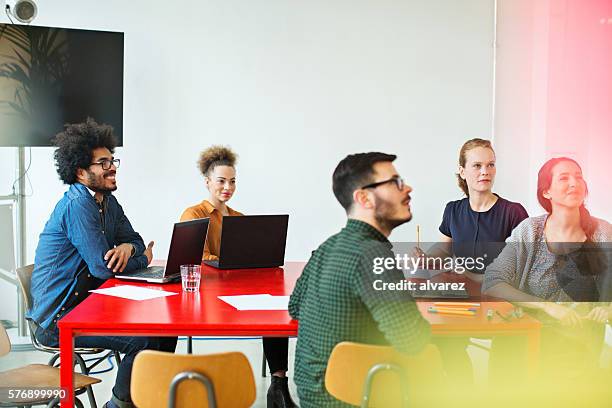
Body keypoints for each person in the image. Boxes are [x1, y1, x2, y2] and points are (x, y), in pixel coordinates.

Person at [28, 118, 177, 408]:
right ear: (81, 172)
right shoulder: (77, 205)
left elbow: (134, 238)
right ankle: (118, 405)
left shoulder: (107, 201)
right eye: (103, 162)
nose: (112, 167)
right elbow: (102, 268)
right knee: (143, 341)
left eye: (113, 160)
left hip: (89, 304)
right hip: (59, 321)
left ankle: (148, 398)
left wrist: (127, 247)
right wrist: (143, 258)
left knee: (164, 327)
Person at [289, 152, 431, 407]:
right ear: (363, 197)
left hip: (313, 396)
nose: (407, 188)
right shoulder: (372, 255)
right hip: (356, 397)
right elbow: (412, 341)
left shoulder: (327, 247)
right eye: (396, 182)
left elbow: (295, 307)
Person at [180, 146, 295, 408]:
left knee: (274, 313)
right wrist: (229, 264)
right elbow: (195, 259)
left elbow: (250, 259)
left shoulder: (240, 218)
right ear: (207, 182)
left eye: (232, 181)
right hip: (208, 296)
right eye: (221, 181)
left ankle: (278, 386)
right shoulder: (193, 214)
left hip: (238, 291)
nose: (227, 187)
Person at [483, 157, 612, 378]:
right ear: (546, 192)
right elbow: (493, 282)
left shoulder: (603, 233)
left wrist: (608, 308)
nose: (574, 183)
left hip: (577, 354)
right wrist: (547, 307)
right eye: (564, 178)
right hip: (526, 345)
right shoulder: (530, 230)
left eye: (578, 177)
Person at [415, 138, 528, 384]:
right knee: (439, 339)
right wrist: (426, 258)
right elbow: (443, 250)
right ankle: (461, 387)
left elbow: (520, 266)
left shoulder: (514, 212)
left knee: (506, 365)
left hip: (499, 301)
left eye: (490, 165)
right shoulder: (453, 210)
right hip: (461, 299)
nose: (485, 171)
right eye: (477, 165)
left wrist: (470, 276)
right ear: (462, 171)